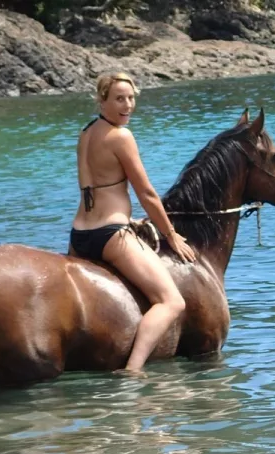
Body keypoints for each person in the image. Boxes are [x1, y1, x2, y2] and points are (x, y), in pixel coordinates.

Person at [69, 72, 196, 373]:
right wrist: (171, 234)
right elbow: (148, 194)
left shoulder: (86, 133)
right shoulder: (121, 137)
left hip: (79, 235)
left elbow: (98, 187)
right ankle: (133, 369)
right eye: (118, 99)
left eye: (131, 98)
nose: (127, 105)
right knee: (171, 302)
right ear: (102, 100)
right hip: (110, 235)